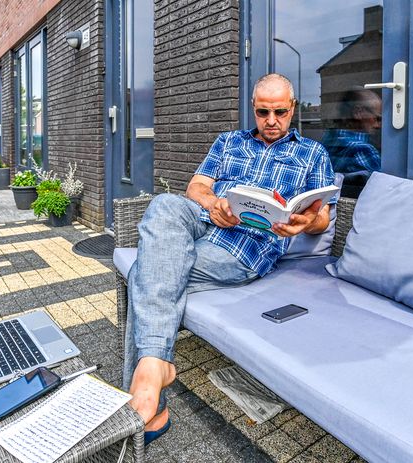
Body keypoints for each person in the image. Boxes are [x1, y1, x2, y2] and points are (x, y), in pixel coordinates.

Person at [123, 73, 335, 443]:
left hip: (245, 246)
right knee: (164, 204)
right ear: (253, 108)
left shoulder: (312, 153)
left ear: (293, 109)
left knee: (148, 270)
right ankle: (154, 380)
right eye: (264, 112)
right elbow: (196, 187)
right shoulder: (229, 142)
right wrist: (212, 202)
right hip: (203, 222)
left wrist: (305, 222)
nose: (272, 121)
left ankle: (147, 393)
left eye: (280, 112)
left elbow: (323, 218)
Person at [322, 88, 382, 175]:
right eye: (377, 118)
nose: (378, 125)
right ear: (358, 112)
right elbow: (379, 185)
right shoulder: (362, 150)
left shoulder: (329, 140)